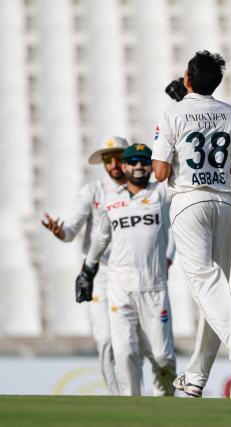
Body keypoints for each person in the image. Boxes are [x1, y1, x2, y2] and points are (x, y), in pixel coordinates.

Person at [151, 50, 231, 398]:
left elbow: (160, 172)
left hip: (189, 201)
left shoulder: (173, 112)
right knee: (214, 290)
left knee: (206, 284)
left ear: (187, 78)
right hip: (224, 203)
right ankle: (196, 376)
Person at [80, 143, 176, 396]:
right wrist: (87, 270)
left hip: (154, 288)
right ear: (124, 166)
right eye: (132, 161)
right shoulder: (111, 201)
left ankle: (165, 405)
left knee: (163, 358)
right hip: (119, 289)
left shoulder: (162, 194)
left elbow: (175, 226)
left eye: (144, 161)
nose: (138, 166)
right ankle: (131, 410)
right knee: (124, 354)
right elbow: (100, 238)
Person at [41, 136, 129, 395]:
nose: (113, 164)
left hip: (130, 274)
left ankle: (136, 393)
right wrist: (59, 230)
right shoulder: (94, 191)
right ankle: (119, 400)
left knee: (131, 344)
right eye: (107, 159)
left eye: (118, 157)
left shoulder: (142, 192)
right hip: (99, 273)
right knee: (104, 340)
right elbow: (69, 230)